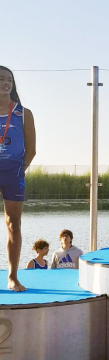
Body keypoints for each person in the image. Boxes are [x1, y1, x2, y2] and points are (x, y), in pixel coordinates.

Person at [0, 66, 36, 291]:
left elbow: (31, 150)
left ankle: (12, 277)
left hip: (13, 173)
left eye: (9, 80)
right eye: (1, 79)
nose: (6, 83)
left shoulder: (24, 113)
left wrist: (19, 171)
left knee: (14, 224)